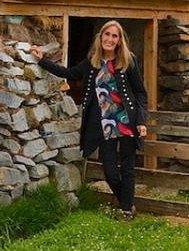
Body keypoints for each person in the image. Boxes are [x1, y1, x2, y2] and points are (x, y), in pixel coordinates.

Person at [30, 20, 148, 221]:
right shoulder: (92, 63)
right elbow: (69, 73)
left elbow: (140, 92)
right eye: (107, 34)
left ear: (119, 41)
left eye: (114, 36)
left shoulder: (129, 61)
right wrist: (42, 61)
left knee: (127, 168)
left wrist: (141, 121)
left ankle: (126, 210)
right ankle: (127, 202)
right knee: (110, 172)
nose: (110, 39)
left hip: (127, 122)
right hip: (105, 126)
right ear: (101, 36)